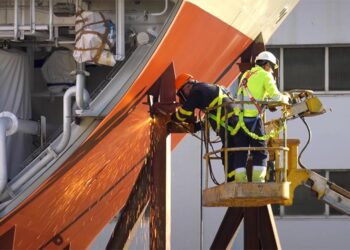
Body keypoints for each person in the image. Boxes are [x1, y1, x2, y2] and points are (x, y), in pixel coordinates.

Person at [231, 51, 290, 183]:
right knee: (261, 151)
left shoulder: (246, 74)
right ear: (267, 65)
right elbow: (276, 96)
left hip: (239, 121)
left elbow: (249, 94)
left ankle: (241, 181)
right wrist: (286, 98)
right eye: (271, 67)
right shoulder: (265, 75)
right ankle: (258, 181)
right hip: (253, 120)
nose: (271, 71)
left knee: (241, 151)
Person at [171, 73, 237, 182]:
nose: (183, 97)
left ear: (187, 86)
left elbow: (184, 113)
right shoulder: (205, 89)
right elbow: (213, 116)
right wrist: (199, 126)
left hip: (231, 125)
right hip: (232, 124)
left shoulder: (196, 92)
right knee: (228, 152)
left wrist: (173, 117)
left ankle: (233, 182)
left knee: (229, 153)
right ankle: (232, 181)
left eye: (182, 93)